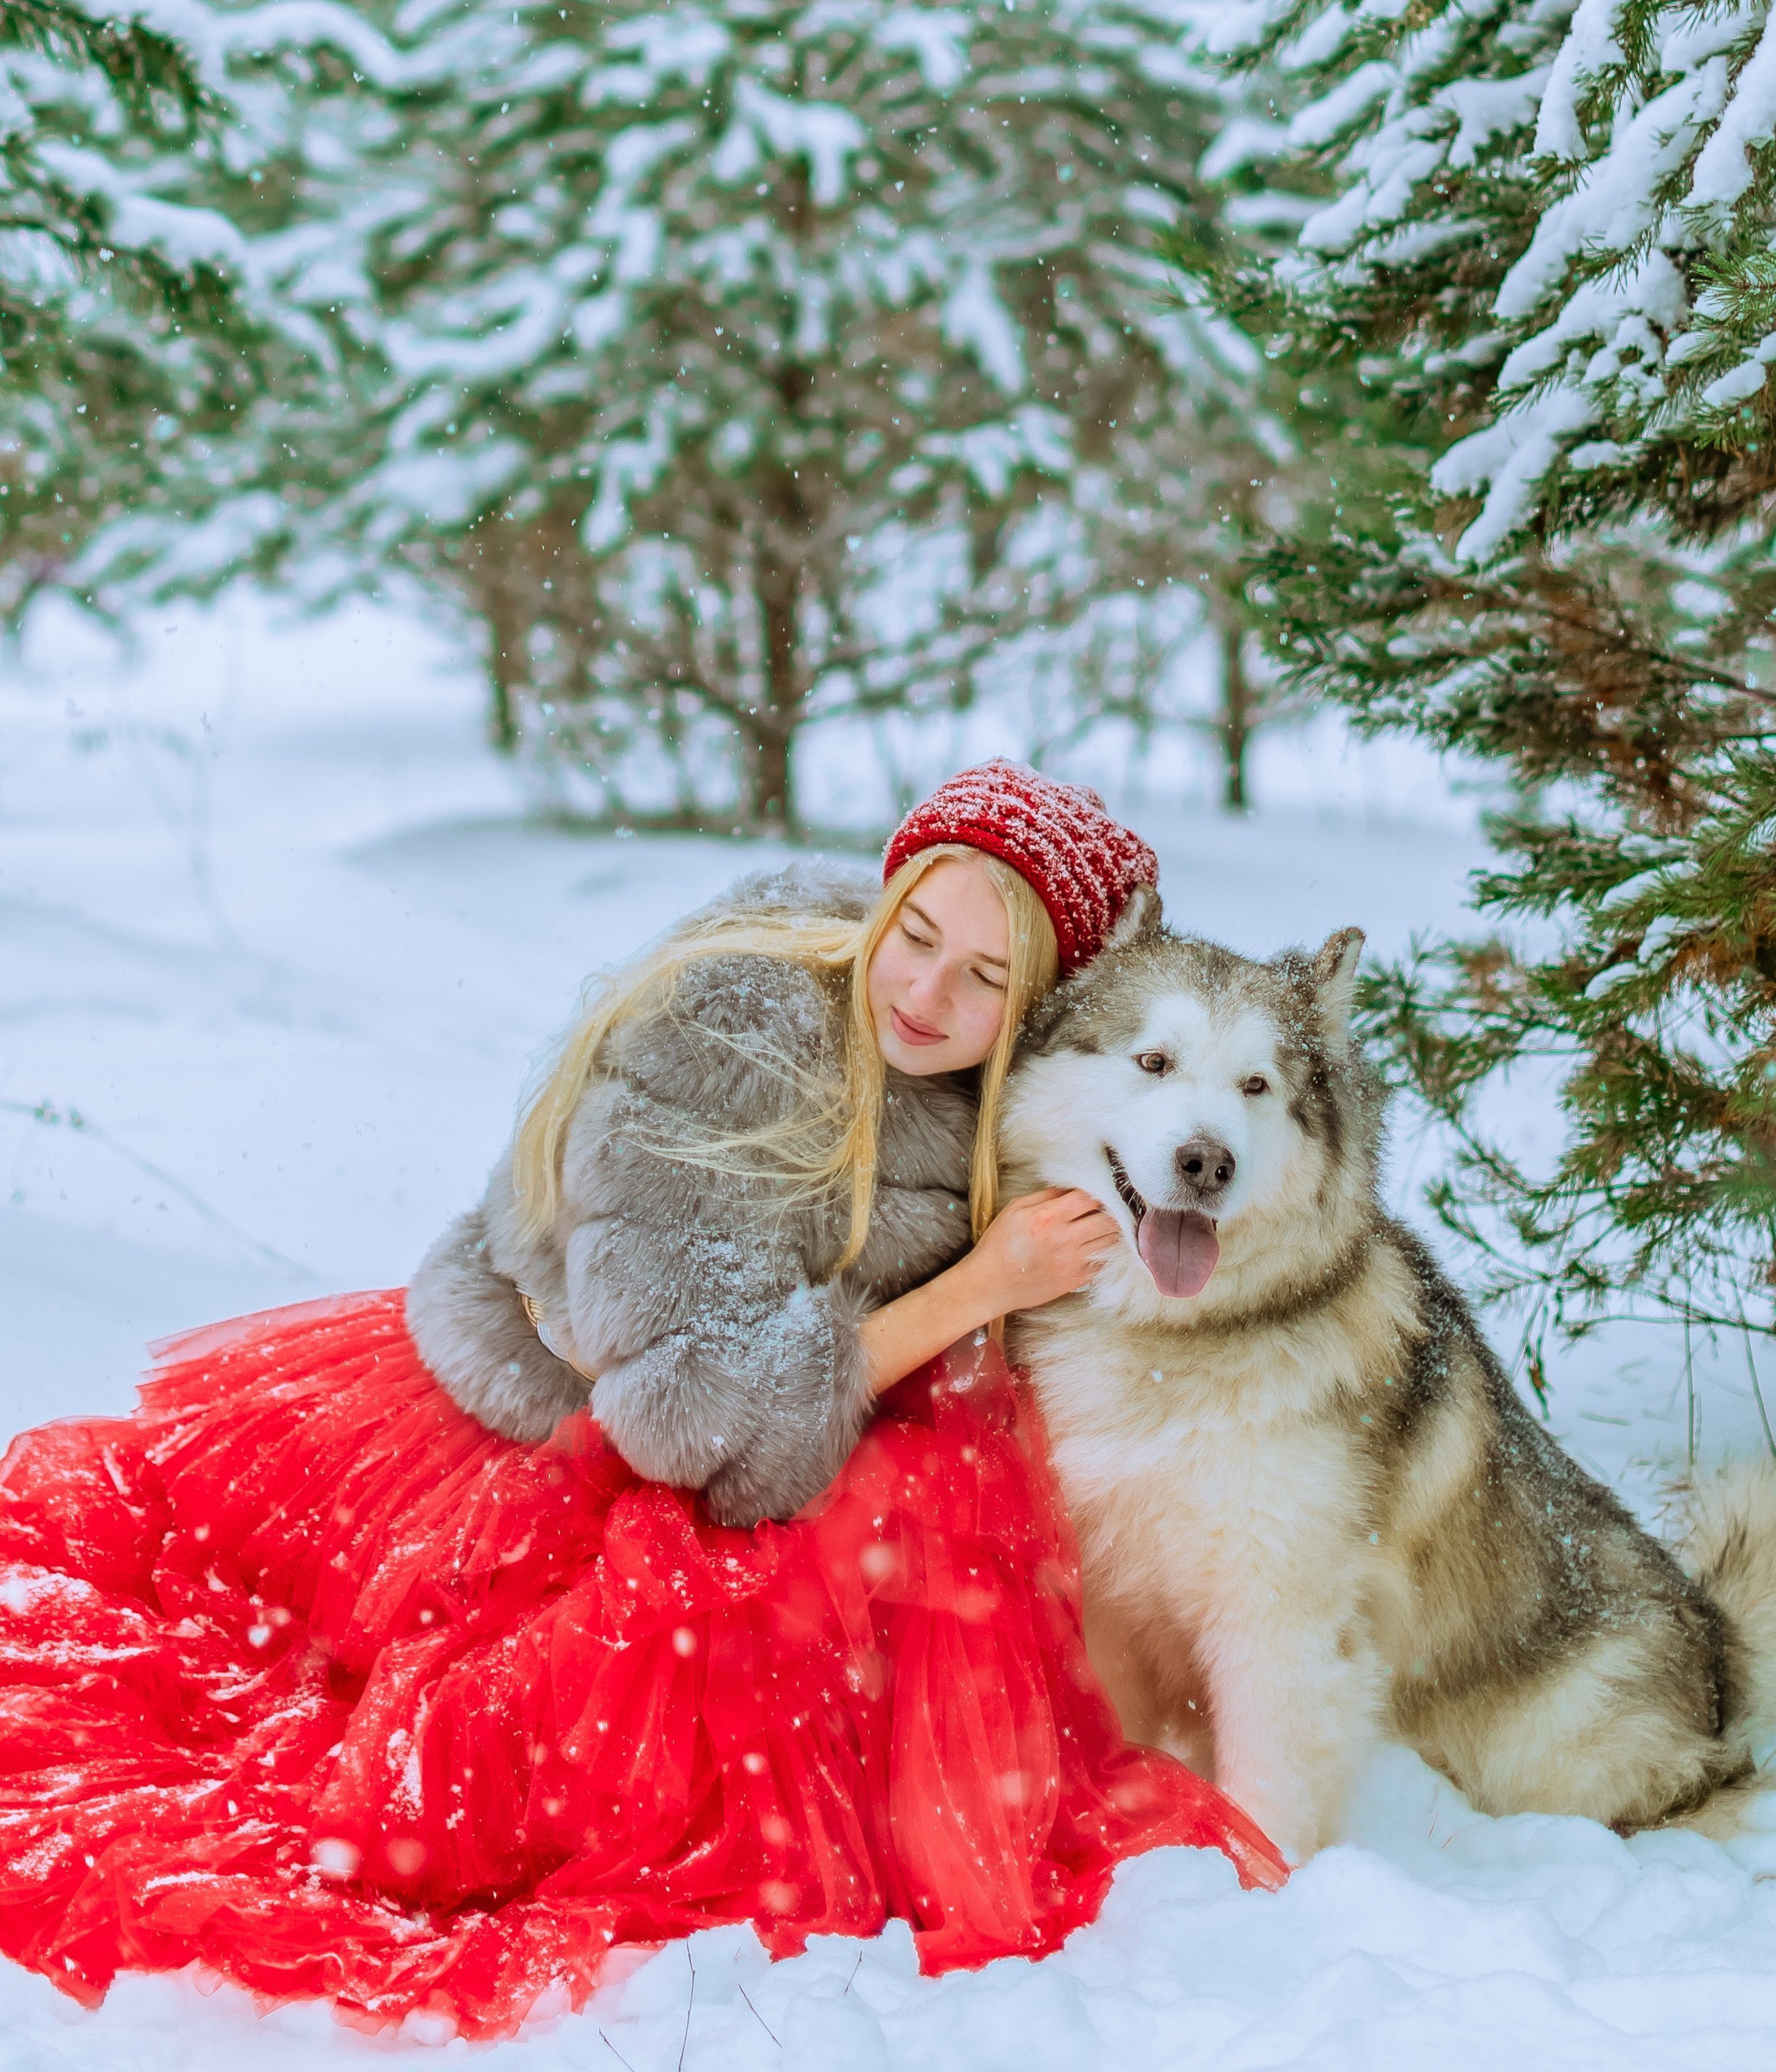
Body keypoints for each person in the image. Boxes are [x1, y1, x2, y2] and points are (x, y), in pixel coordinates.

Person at [0, 762, 1283, 2040]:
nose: (925, 992)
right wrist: (977, 1288)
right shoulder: (729, 1038)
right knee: (468, 1784)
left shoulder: (997, 1084)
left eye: (987, 980)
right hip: (561, 1442)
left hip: (769, 1413)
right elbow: (685, 1416)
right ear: (885, 901)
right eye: (916, 937)